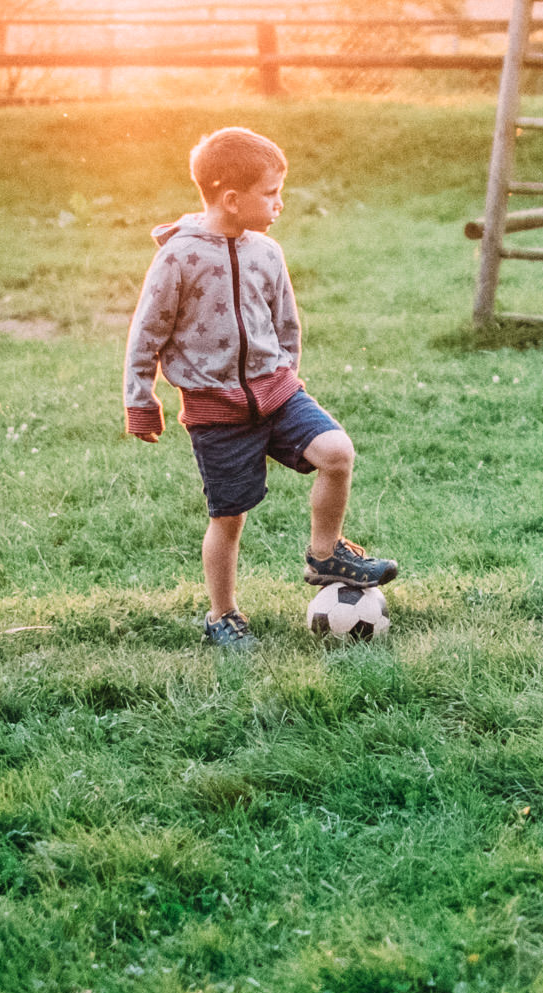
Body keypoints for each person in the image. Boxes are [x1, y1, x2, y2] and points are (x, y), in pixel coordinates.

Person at [124, 126, 396, 647]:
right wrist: (142, 400)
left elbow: (285, 324)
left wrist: (285, 374)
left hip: (276, 394)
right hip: (216, 410)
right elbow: (146, 335)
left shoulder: (266, 253)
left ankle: (325, 554)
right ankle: (222, 616)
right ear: (231, 199)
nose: (280, 203)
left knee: (336, 451)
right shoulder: (178, 259)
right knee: (229, 518)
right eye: (270, 193)